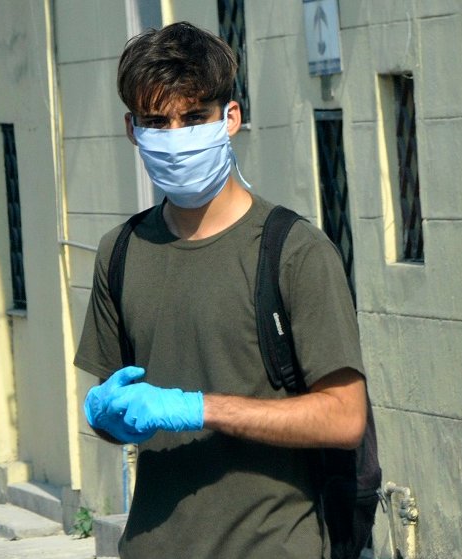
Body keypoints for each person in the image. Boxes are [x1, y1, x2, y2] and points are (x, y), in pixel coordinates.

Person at [74, 21, 367, 559]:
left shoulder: (294, 251)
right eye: (156, 122)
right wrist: (106, 418)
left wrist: (199, 408)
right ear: (131, 129)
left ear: (230, 118)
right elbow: (124, 415)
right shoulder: (118, 252)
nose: (175, 136)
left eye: (193, 117)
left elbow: (345, 417)